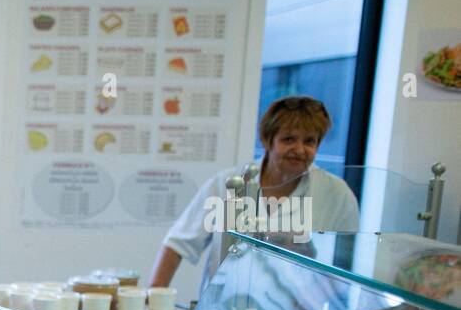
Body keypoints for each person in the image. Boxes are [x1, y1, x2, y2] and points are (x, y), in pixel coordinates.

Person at [148, 95, 360, 294]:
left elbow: (346, 265)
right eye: (288, 139)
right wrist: (153, 305)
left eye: (309, 141)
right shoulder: (228, 183)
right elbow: (177, 245)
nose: (299, 149)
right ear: (267, 141)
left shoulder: (336, 193)